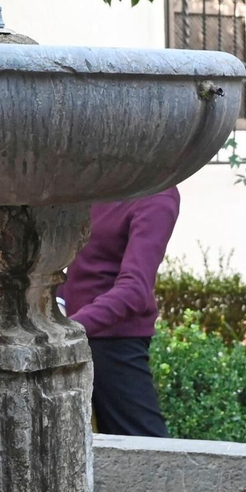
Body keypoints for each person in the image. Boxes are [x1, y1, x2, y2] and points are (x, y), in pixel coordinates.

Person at [59, 187, 179, 437]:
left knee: (146, 451)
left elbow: (135, 290)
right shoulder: (98, 183)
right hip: (72, 337)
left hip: (114, 343)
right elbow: (68, 262)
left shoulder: (157, 195)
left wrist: (70, 328)